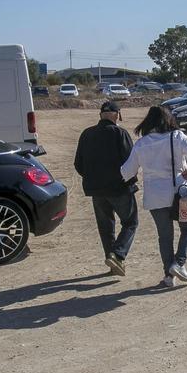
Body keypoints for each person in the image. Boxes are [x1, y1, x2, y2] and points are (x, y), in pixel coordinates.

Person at [120, 105, 187, 287]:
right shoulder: (177, 137)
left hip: (155, 197)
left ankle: (168, 276)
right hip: (179, 194)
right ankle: (179, 263)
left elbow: (127, 172)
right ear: (169, 120)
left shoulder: (141, 144)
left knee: (165, 237)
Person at [73, 101, 138, 276]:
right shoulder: (120, 133)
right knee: (131, 222)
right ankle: (117, 255)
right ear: (117, 115)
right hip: (120, 188)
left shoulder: (87, 134)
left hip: (96, 190)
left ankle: (113, 263)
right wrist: (131, 181)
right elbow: (131, 162)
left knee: (105, 226)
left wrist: (93, 179)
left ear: (101, 115)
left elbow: (78, 164)